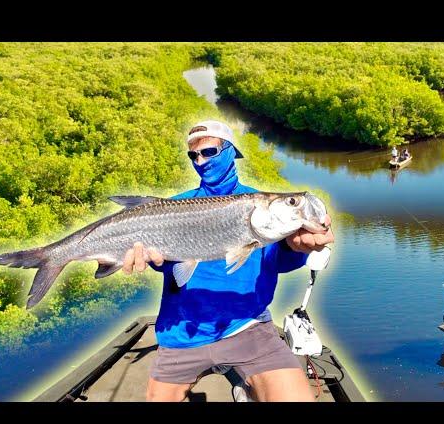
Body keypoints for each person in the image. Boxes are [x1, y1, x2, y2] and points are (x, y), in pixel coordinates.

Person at [122, 120, 334, 401]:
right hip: (183, 330)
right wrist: (153, 260)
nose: (200, 161)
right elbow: (171, 266)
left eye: (208, 152)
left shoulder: (259, 206)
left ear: (231, 151)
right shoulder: (175, 206)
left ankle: (245, 388)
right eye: (193, 155)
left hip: (247, 325)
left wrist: (297, 249)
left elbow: (276, 262)